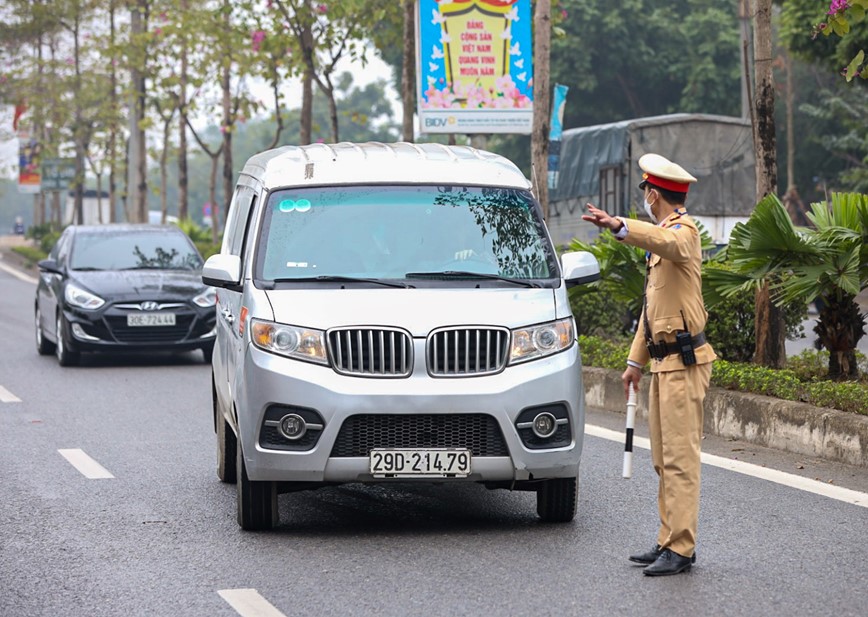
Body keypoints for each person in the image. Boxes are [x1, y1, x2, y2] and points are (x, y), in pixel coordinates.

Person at [582, 153, 717, 577]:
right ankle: (667, 541)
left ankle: (681, 547)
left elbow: (668, 243)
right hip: (663, 365)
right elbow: (651, 308)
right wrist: (634, 362)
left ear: (653, 194)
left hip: (685, 362)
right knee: (662, 458)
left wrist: (620, 225)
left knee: (679, 458)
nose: (645, 199)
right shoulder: (661, 237)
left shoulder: (683, 233)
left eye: (646, 193)